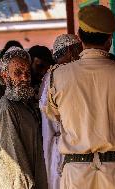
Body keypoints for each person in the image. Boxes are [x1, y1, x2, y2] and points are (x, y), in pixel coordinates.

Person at [45, 5, 115, 189]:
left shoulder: (58, 76)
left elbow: (54, 114)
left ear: (80, 37)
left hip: (76, 173)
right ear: (109, 40)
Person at [0, 47, 47, 189]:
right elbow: (15, 160)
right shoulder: (7, 108)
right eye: (17, 73)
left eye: (27, 73)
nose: (24, 78)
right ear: (5, 76)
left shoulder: (28, 103)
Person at [39, 34, 83, 189]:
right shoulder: (61, 75)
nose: (82, 55)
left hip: (58, 147)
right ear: (71, 50)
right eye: (80, 50)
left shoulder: (50, 76)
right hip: (63, 147)